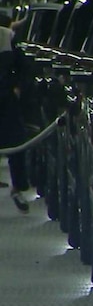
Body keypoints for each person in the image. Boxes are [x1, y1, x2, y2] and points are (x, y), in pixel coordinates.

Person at [0, 12, 29, 213]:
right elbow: (23, 66)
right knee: (15, 140)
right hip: (6, 95)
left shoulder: (6, 36)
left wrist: (17, 87)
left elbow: (23, 66)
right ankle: (18, 186)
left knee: (16, 141)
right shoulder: (6, 36)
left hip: (5, 96)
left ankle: (18, 186)